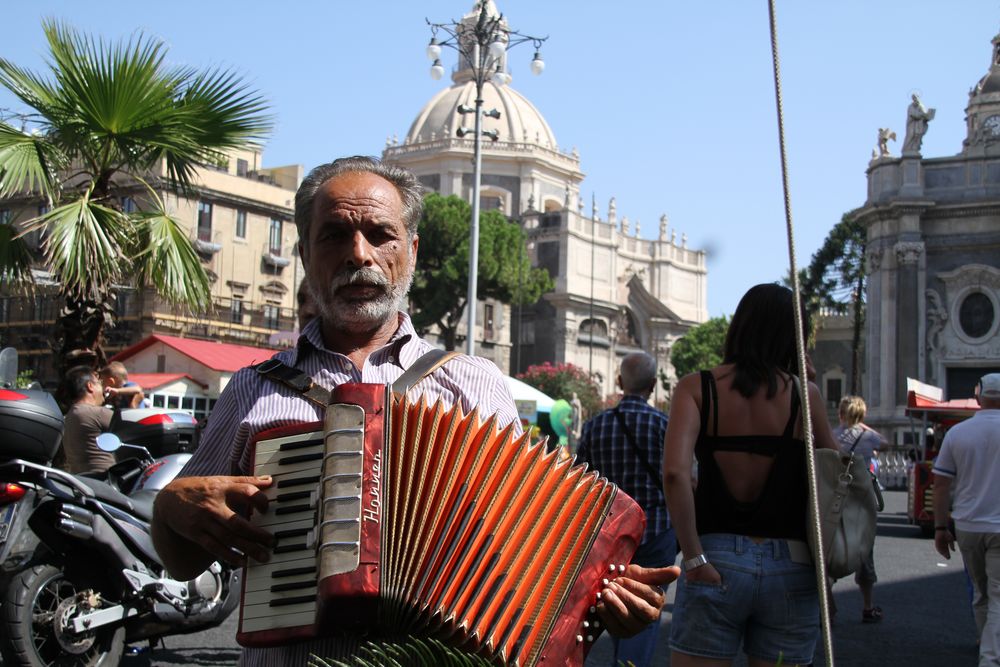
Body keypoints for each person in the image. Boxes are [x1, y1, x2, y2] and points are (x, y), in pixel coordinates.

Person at [150, 156, 675, 666]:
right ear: (306, 255)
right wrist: (170, 508)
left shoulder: (474, 383)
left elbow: (525, 563)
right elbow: (182, 558)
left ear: (413, 251)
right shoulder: (251, 390)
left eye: (381, 234)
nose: (360, 253)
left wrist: (600, 602)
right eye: (334, 235)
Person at [663, 283, 838, 667]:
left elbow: (675, 473)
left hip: (715, 555)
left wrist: (693, 556)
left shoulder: (697, 388)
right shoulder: (804, 396)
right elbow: (833, 475)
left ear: (739, 326)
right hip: (793, 563)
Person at [576, 351, 675, 667]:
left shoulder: (595, 426)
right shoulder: (664, 425)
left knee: (612, 601)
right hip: (657, 532)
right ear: (654, 384)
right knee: (644, 609)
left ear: (619, 381)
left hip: (608, 538)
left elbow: (582, 481)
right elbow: (683, 479)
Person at [932, 372, 1000, 667]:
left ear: (977, 398)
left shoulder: (957, 433)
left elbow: (942, 485)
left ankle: (985, 641)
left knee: (981, 592)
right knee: (999, 595)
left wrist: (939, 527)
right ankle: (990, 657)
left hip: (967, 525)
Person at [833, 395, 887, 623]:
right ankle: (867, 605)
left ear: (841, 414)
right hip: (862, 499)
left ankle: (829, 608)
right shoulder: (869, 437)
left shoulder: (834, 434)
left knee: (830, 549)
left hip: (836, 496)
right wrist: (862, 426)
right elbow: (885, 443)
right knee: (865, 549)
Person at [60, 365, 116, 475]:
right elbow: (133, 429)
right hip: (106, 481)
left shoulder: (70, 415)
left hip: (81, 481)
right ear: (90, 386)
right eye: (99, 383)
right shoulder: (96, 413)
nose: (103, 388)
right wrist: (134, 403)